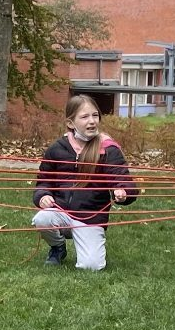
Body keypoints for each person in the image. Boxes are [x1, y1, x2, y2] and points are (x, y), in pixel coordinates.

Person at [32, 95, 139, 271]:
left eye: (95, 115)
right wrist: (43, 195)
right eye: (84, 117)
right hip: (61, 212)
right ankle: (58, 247)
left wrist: (123, 191)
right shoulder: (57, 148)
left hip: (90, 218)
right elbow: (44, 180)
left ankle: (86, 244)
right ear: (70, 123)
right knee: (42, 218)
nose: (92, 121)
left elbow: (123, 179)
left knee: (91, 266)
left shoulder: (108, 149)